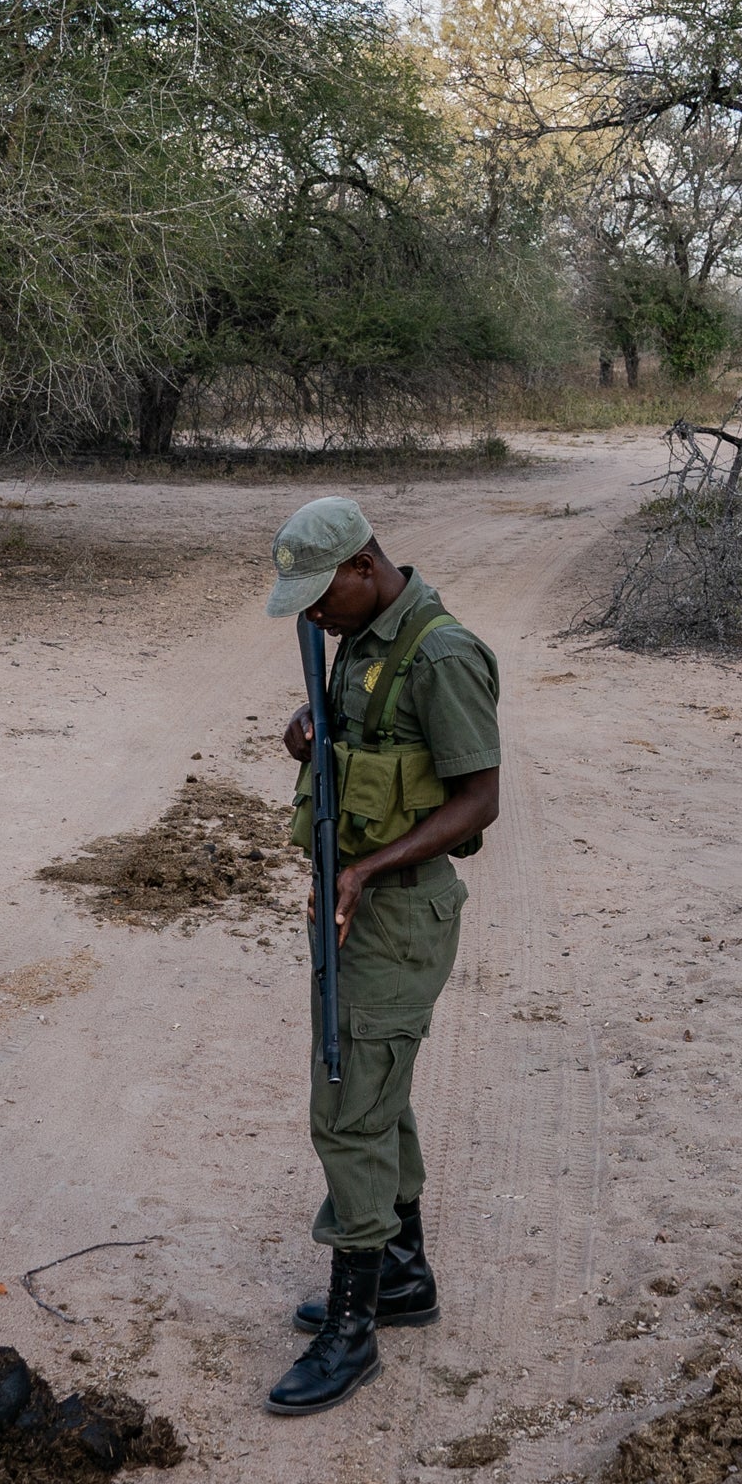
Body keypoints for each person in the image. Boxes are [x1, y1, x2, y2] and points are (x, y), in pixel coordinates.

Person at [265, 497, 502, 1417]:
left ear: (365, 566)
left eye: (320, 597)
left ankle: (353, 1331)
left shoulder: (443, 654)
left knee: (348, 1105)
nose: (311, 618)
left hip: (399, 913)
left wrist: (368, 868)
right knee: (377, 1088)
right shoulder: (361, 639)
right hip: (362, 906)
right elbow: (365, 735)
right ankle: (403, 1278)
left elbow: (479, 798)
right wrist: (309, 725)